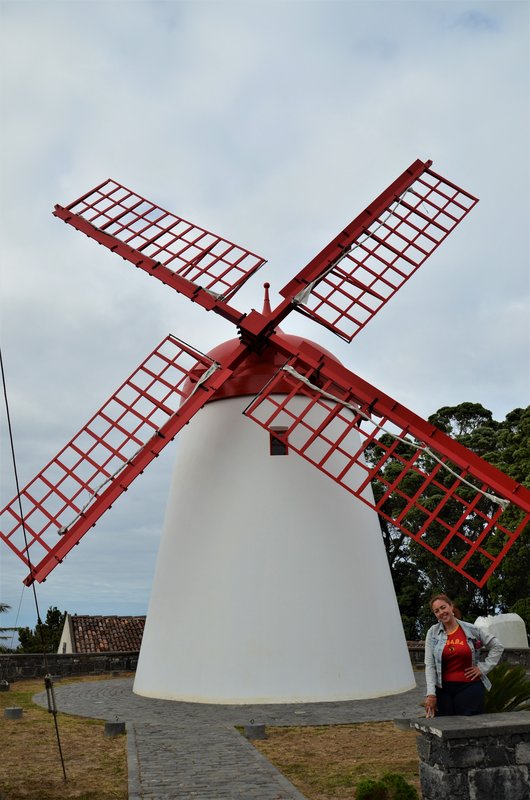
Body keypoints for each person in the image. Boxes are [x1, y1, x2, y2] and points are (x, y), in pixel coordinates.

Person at [424, 593, 504, 717]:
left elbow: (497, 646)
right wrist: (431, 694)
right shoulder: (433, 633)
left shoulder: (471, 629)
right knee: (445, 728)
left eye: (443, 607)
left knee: (469, 728)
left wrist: (483, 668)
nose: (441, 612)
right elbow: (430, 665)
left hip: (470, 687)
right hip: (443, 690)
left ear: (451, 606)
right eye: (437, 611)